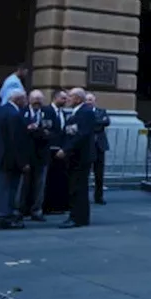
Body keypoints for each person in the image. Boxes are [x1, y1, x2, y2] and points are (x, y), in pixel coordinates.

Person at [0, 89, 32, 230]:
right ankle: (4, 217)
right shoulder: (14, 115)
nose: (26, 102)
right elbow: (15, 141)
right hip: (7, 159)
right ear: (18, 99)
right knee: (7, 189)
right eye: (24, 99)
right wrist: (23, 163)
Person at [56, 87, 98, 228]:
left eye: (70, 96)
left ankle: (78, 218)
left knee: (79, 188)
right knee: (74, 187)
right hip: (74, 156)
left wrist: (66, 149)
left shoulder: (86, 112)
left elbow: (82, 134)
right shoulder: (76, 112)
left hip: (81, 156)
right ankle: (75, 215)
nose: (68, 99)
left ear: (78, 98)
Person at [19, 89, 58, 221]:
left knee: (39, 185)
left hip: (42, 154)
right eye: (34, 99)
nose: (37, 102)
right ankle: (19, 210)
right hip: (25, 154)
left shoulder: (48, 112)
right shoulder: (21, 112)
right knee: (23, 184)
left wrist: (42, 132)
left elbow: (55, 131)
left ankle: (37, 210)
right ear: (29, 99)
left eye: (39, 99)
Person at [86, 93, 111, 205]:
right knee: (85, 173)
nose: (89, 102)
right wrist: (98, 123)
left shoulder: (102, 111)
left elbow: (106, 121)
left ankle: (99, 197)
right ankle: (84, 197)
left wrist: (94, 123)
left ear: (95, 101)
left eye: (91, 100)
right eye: (87, 100)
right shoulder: (84, 113)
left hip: (100, 146)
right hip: (88, 146)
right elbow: (89, 124)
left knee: (99, 174)